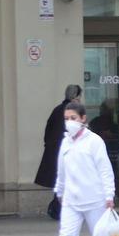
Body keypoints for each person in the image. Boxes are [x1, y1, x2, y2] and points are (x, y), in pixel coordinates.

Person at [46, 102, 119, 236]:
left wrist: (109, 195)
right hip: (71, 201)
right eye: (66, 119)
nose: (69, 122)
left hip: (95, 200)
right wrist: (59, 190)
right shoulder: (66, 142)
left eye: (73, 118)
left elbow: (105, 170)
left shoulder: (94, 141)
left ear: (83, 119)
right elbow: (62, 170)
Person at [35, 84, 83, 220]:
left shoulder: (57, 110)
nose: (80, 99)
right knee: (66, 181)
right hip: (67, 152)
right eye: (79, 96)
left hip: (55, 152)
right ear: (75, 97)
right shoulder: (72, 112)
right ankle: (59, 208)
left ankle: (58, 208)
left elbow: (48, 130)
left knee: (62, 181)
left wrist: (49, 145)